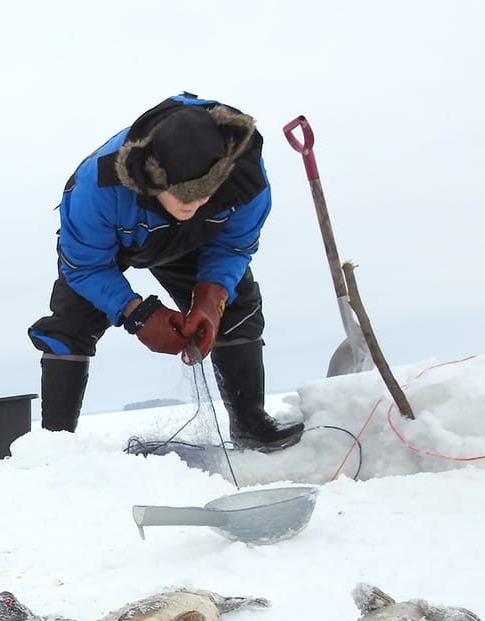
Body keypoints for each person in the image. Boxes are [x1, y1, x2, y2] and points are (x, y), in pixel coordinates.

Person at [27, 92, 304, 451]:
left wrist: (211, 298)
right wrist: (137, 313)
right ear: (156, 181)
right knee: (70, 324)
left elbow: (234, 246)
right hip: (117, 241)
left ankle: (251, 425)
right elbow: (85, 266)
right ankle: (56, 445)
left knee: (237, 306)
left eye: (207, 195)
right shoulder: (95, 189)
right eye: (186, 198)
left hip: (197, 241)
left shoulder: (246, 180)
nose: (197, 203)